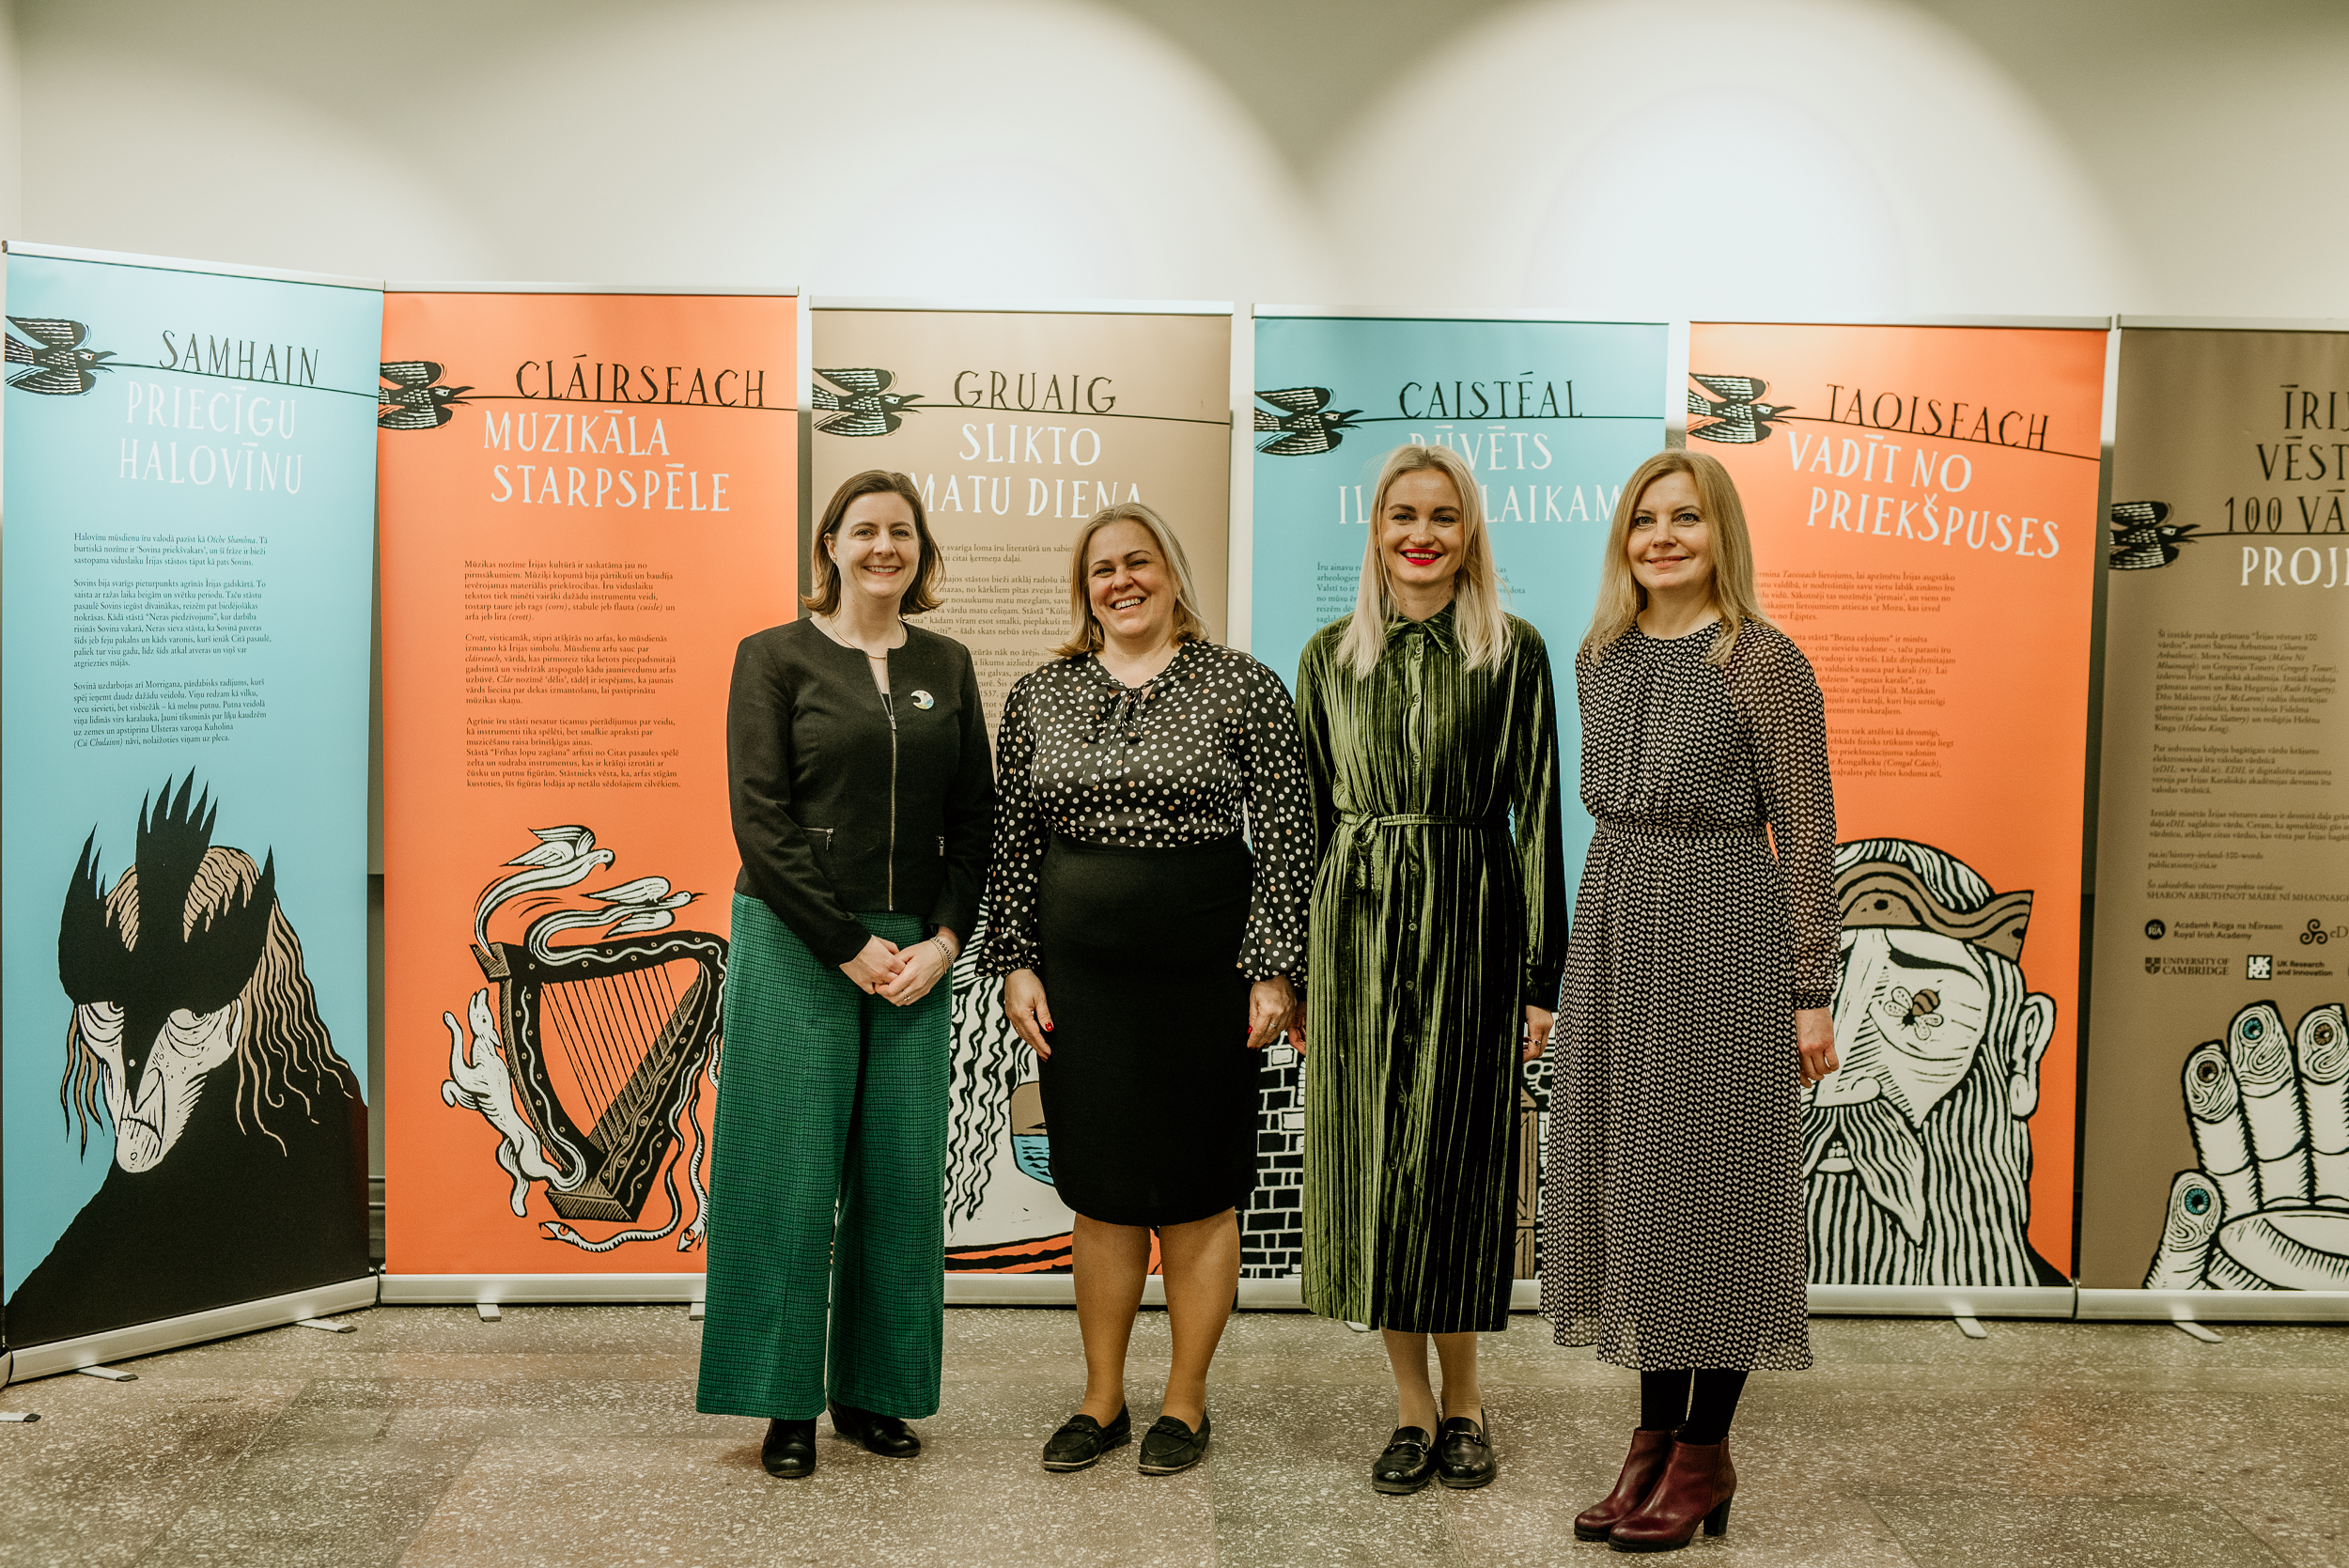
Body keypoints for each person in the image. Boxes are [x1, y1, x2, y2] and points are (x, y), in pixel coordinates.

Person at [1543, 449, 1841, 1552]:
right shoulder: (1601, 655)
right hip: (1619, 917)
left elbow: (1805, 828)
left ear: (1721, 535)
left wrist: (1810, 987)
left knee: (1713, 1188)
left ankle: (1704, 1450)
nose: (1662, 538)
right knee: (1639, 1183)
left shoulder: (1761, 660)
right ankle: (1652, 1437)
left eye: (1685, 518)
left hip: (1722, 925)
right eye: (1644, 520)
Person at [985, 502, 1312, 1478]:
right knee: (1102, 1194)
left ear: (1171, 574)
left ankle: (1184, 1399)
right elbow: (1012, 840)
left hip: (1205, 975)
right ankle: (1101, 1398)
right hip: (1081, 983)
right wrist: (1015, 959)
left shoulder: (1241, 685)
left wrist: (1273, 967)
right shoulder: (1040, 694)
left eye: (1139, 562)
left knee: (1200, 1193)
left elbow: (1288, 834)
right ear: (1083, 591)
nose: (1121, 581)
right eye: (1102, 569)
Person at [697, 469, 995, 1480]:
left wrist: (943, 941)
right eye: (864, 531)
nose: (883, 548)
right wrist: (843, 941)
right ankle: (783, 1401)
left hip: (915, 952)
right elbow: (760, 819)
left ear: (921, 551)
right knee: (785, 1173)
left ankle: (873, 1390)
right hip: (798, 939)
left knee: (900, 1178)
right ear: (830, 545)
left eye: (900, 532)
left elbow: (975, 820)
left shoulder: (949, 664)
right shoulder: (773, 656)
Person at [1292, 441, 1565, 1497]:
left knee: (1454, 1167)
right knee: (1374, 1168)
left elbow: (1538, 817)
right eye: (1402, 514)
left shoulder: (1514, 652)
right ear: (1375, 530)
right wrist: (1298, 973)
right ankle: (1410, 1406)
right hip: (1356, 929)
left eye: (1443, 516)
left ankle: (1466, 1400)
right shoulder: (1329, 656)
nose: (1422, 533)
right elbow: (1308, 824)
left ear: (1469, 532)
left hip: (1470, 920)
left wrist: (1541, 976)